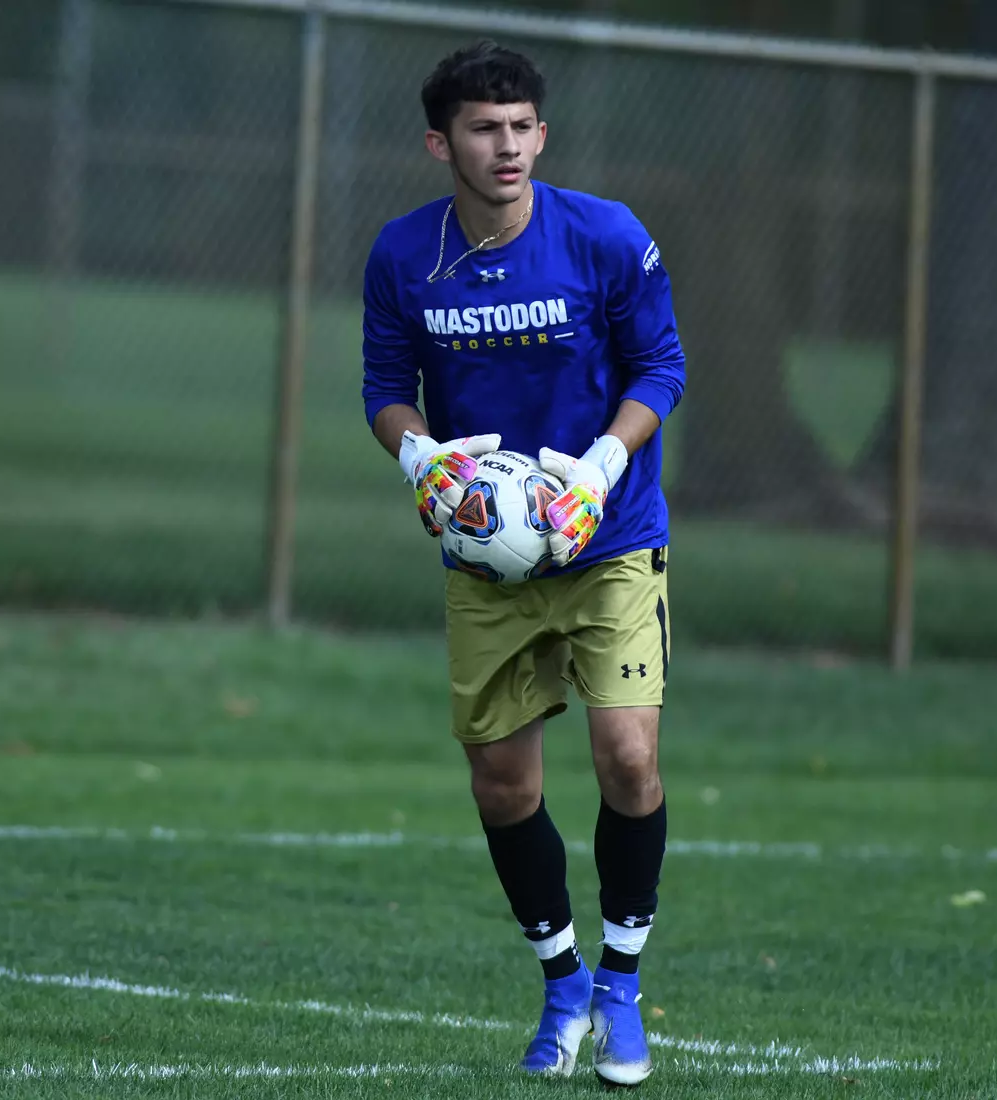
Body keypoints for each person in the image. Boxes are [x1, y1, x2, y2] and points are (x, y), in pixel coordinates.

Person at [360, 39, 687, 1085]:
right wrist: (419, 455)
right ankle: (563, 979)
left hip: (611, 537)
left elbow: (661, 365)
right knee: (503, 784)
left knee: (628, 758)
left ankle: (625, 981)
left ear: (542, 134)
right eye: (482, 129)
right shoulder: (404, 255)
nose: (505, 146)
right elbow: (383, 386)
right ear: (439, 141)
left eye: (520, 128)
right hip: (489, 561)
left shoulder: (605, 237)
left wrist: (599, 463)